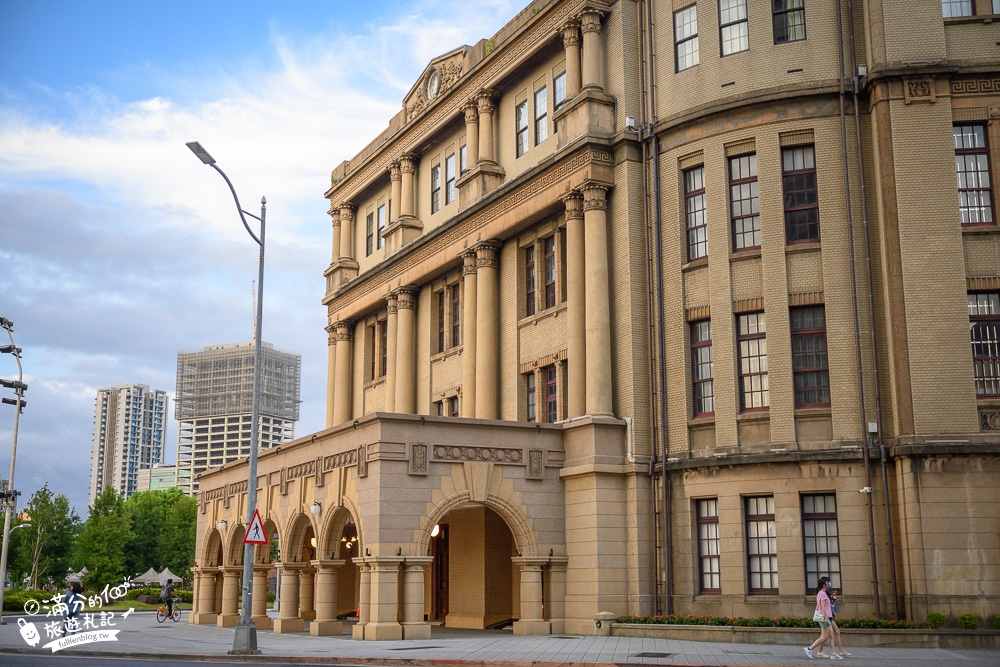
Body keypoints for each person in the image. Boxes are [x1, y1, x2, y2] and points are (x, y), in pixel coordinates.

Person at [804, 576, 842, 660]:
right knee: (825, 637)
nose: (829, 584)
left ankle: (833, 654)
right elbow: (823, 607)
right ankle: (809, 648)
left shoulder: (820, 593)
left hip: (825, 617)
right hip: (824, 617)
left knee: (830, 636)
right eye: (828, 583)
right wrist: (825, 617)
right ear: (824, 584)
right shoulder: (823, 594)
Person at [828, 588, 851, 657]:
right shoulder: (825, 596)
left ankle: (841, 651)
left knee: (836, 632)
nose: (834, 593)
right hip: (826, 617)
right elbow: (829, 608)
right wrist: (833, 613)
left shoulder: (831, 599)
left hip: (829, 618)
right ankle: (815, 650)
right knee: (827, 635)